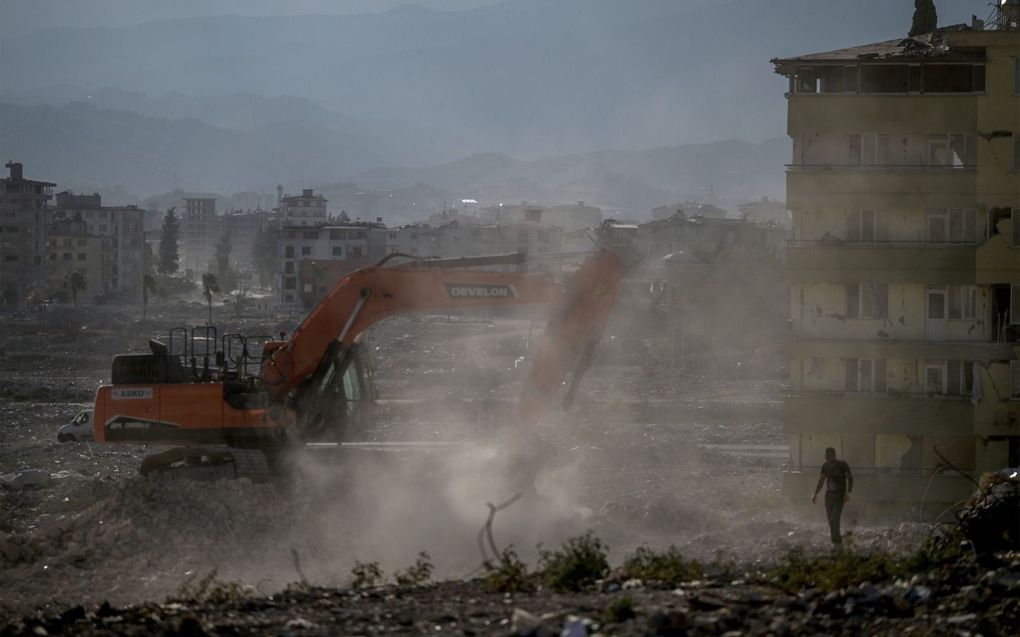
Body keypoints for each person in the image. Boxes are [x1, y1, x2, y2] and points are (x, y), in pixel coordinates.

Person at [811, 447, 853, 547]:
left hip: (839, 495)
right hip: (829, 495)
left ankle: (836, 541)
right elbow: (821, 481)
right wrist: (815, 493)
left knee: (835, 517)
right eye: (826, 455)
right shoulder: (825, 466)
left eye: (829, 455)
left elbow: (850, 478)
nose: (827, 457)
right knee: (830, 519)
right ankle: (835, 540)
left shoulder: (842, 465)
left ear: (834, 455)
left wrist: (848, 493)